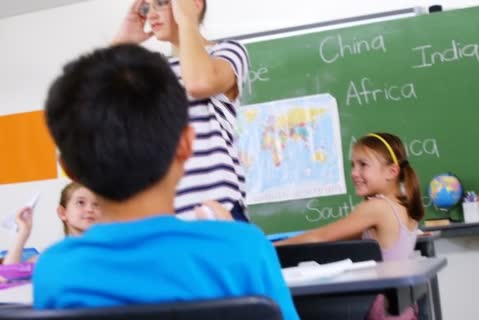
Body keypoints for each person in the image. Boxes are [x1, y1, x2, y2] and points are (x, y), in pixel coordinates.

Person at [33, 44, 298, 320]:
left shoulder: (56, 269)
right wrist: (226, 236)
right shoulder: (245, 249)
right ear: (186, 145)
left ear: (69, 170)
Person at [112, 0, 250, 221]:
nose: (151, 15)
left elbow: (199, 84)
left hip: (217, 209)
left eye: (162, 3)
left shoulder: (225, 52)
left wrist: (187, 19)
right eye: (147, 8)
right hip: (166, 217)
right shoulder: (153, 71)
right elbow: (96, 104)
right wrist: (121, 44)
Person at [276, 132, 424, 319]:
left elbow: (320, 237)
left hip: (382, 309)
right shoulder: (403, 206)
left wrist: (269, 247)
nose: (354, 173)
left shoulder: (377, 207)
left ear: (391, 171)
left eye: (363, 165)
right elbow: (340, 239)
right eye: (353, 165)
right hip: (403, 307)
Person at [2, 182, 101, 265]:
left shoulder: (108, 253)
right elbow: (7, 276)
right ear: (62, 213)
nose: (90, 209)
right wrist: (23, 232)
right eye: (81, 202)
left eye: (96, 204)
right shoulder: (53, 256)